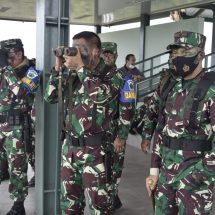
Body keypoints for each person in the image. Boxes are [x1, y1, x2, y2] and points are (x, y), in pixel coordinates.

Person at [44, 31, 134, 215]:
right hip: (70, 150)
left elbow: (100, 96)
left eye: (81, 48)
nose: (76, 52)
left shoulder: (114, 75)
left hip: (97, 152)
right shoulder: (73, 74)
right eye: (73, 48)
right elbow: (49, 97)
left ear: (95, 52)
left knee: (99, 207)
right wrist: (58, 69)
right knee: (69, 205)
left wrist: (80, 69)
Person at [145, 31, 215, 214]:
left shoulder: (211, 88)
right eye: (174, 53)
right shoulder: (171, 86)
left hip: (195, 183)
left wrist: (198, 176)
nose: (177, 58)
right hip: (165, 178)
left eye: (184, 52)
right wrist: (154, 172)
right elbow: (161, 129)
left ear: (200, 55)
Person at [0, 39, 40, 214]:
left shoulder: (32, 71)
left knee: (17, 168)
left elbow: (22, 93)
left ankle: (18, 205)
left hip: (17, 128)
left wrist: (7, 69)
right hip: (1, 125)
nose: (5, 61)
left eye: (7, 56)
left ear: (18, 54)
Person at [101, 41, 135, 210]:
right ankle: (110, 198)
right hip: (98, 135)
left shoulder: (124, 78)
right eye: (104, 54)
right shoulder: (95, 76)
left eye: (110, 54)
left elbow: (127, 111)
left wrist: (121, 137)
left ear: (116, 56)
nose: (106, 57)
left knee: (113, 168)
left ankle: (113, 197)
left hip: (114, 133)